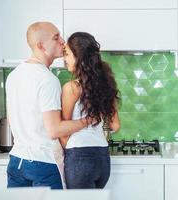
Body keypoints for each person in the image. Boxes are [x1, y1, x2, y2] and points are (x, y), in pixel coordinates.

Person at [5, 22, 93, 189]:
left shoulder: (14, 75)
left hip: (17, 162)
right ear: (41, 45)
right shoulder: (47, 79)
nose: (63, 41)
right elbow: (54, 130)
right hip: (43, 164)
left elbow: (12, 120)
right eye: (56, 37)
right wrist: (88, 120)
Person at [61, 32, 121, 189]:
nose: (64, 59)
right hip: (102, 157)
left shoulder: (72, 88)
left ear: (78, 56)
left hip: (79, 156)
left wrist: (71, 149)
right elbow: (115, 126)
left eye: (66, 54)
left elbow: (63, 129)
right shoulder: (107, 84)